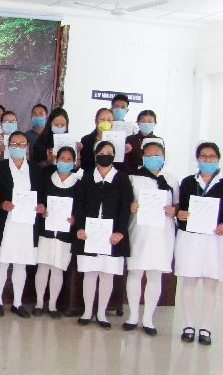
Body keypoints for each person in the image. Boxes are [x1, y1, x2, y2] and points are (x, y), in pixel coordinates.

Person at [174, 142, 223, 345]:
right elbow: (180, 209)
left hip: (216, 239)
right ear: (197, 159)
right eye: (203, 156)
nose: (207, 159)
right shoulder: (188, 182)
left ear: (218, 158)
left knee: (210, 286)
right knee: (188, 284)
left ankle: (205, 328)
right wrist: (181, 214)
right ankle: (188, 325)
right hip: (190, 238)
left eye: (211, 156)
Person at [73, 141, 133, 329]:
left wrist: (120, 231)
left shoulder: (122, 179)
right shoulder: (87, 177)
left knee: (107, 275)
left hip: (112, 235)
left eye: (109, 152)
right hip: (89, 233)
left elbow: (126, 208)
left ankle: (101, 313)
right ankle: (87, 311)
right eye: (102, 152)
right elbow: (79, 205)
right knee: (90, 274)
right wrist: (80, 228)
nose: (105, 155)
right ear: (95, 154)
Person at [0, 131, 45, 318]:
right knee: (2, 262)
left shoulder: (35, 169)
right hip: (6, 222)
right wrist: (2, 203)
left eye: (22, 144)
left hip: (28, 224)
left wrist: (40, 207)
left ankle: (18, 303)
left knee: (21, 264)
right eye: (14, 144)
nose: (18, 147)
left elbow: (41, 195)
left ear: (27, 147)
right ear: (8, 145)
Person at [124, 142, 179, 335]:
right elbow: (124, 202)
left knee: (155, 275)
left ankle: (148, 318)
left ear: (164, 156)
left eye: (158, 154)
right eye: (149, 154)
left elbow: (179, 205)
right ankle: (133, 316)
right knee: (135, 272)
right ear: (142, 157)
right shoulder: (133, 177)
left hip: (162, 233)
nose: (154, 157)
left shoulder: (172, 179)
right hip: (139, 231)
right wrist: (130, 206)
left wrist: (175, 211)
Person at [35, 147, 82, 318]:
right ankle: (40, 303)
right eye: (62, 158)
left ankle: (53, 305)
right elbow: (39, 200)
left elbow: (82, 207)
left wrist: (76, 220)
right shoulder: (47, 178)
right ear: (56, 159)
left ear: (75, 162)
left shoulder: (79, 182)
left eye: (69, 159)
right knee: (43, 267)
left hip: (65, 232)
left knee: (58, 269)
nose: (65, 161)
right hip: (46, 230)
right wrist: (41, 210)